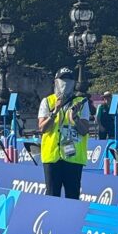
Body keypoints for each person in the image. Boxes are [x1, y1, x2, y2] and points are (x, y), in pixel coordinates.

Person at [38, 67, 90, 200]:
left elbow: (84, 130)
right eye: (62, 80)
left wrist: (75, 118)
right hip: (52, 156)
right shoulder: (47, 101)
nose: (65, 83)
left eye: (69, 80)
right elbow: (42, 128)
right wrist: (55, 111)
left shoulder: (81, 103)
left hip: (72, 156)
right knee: (52, 196)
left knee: (72, 196)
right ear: (56, 82)